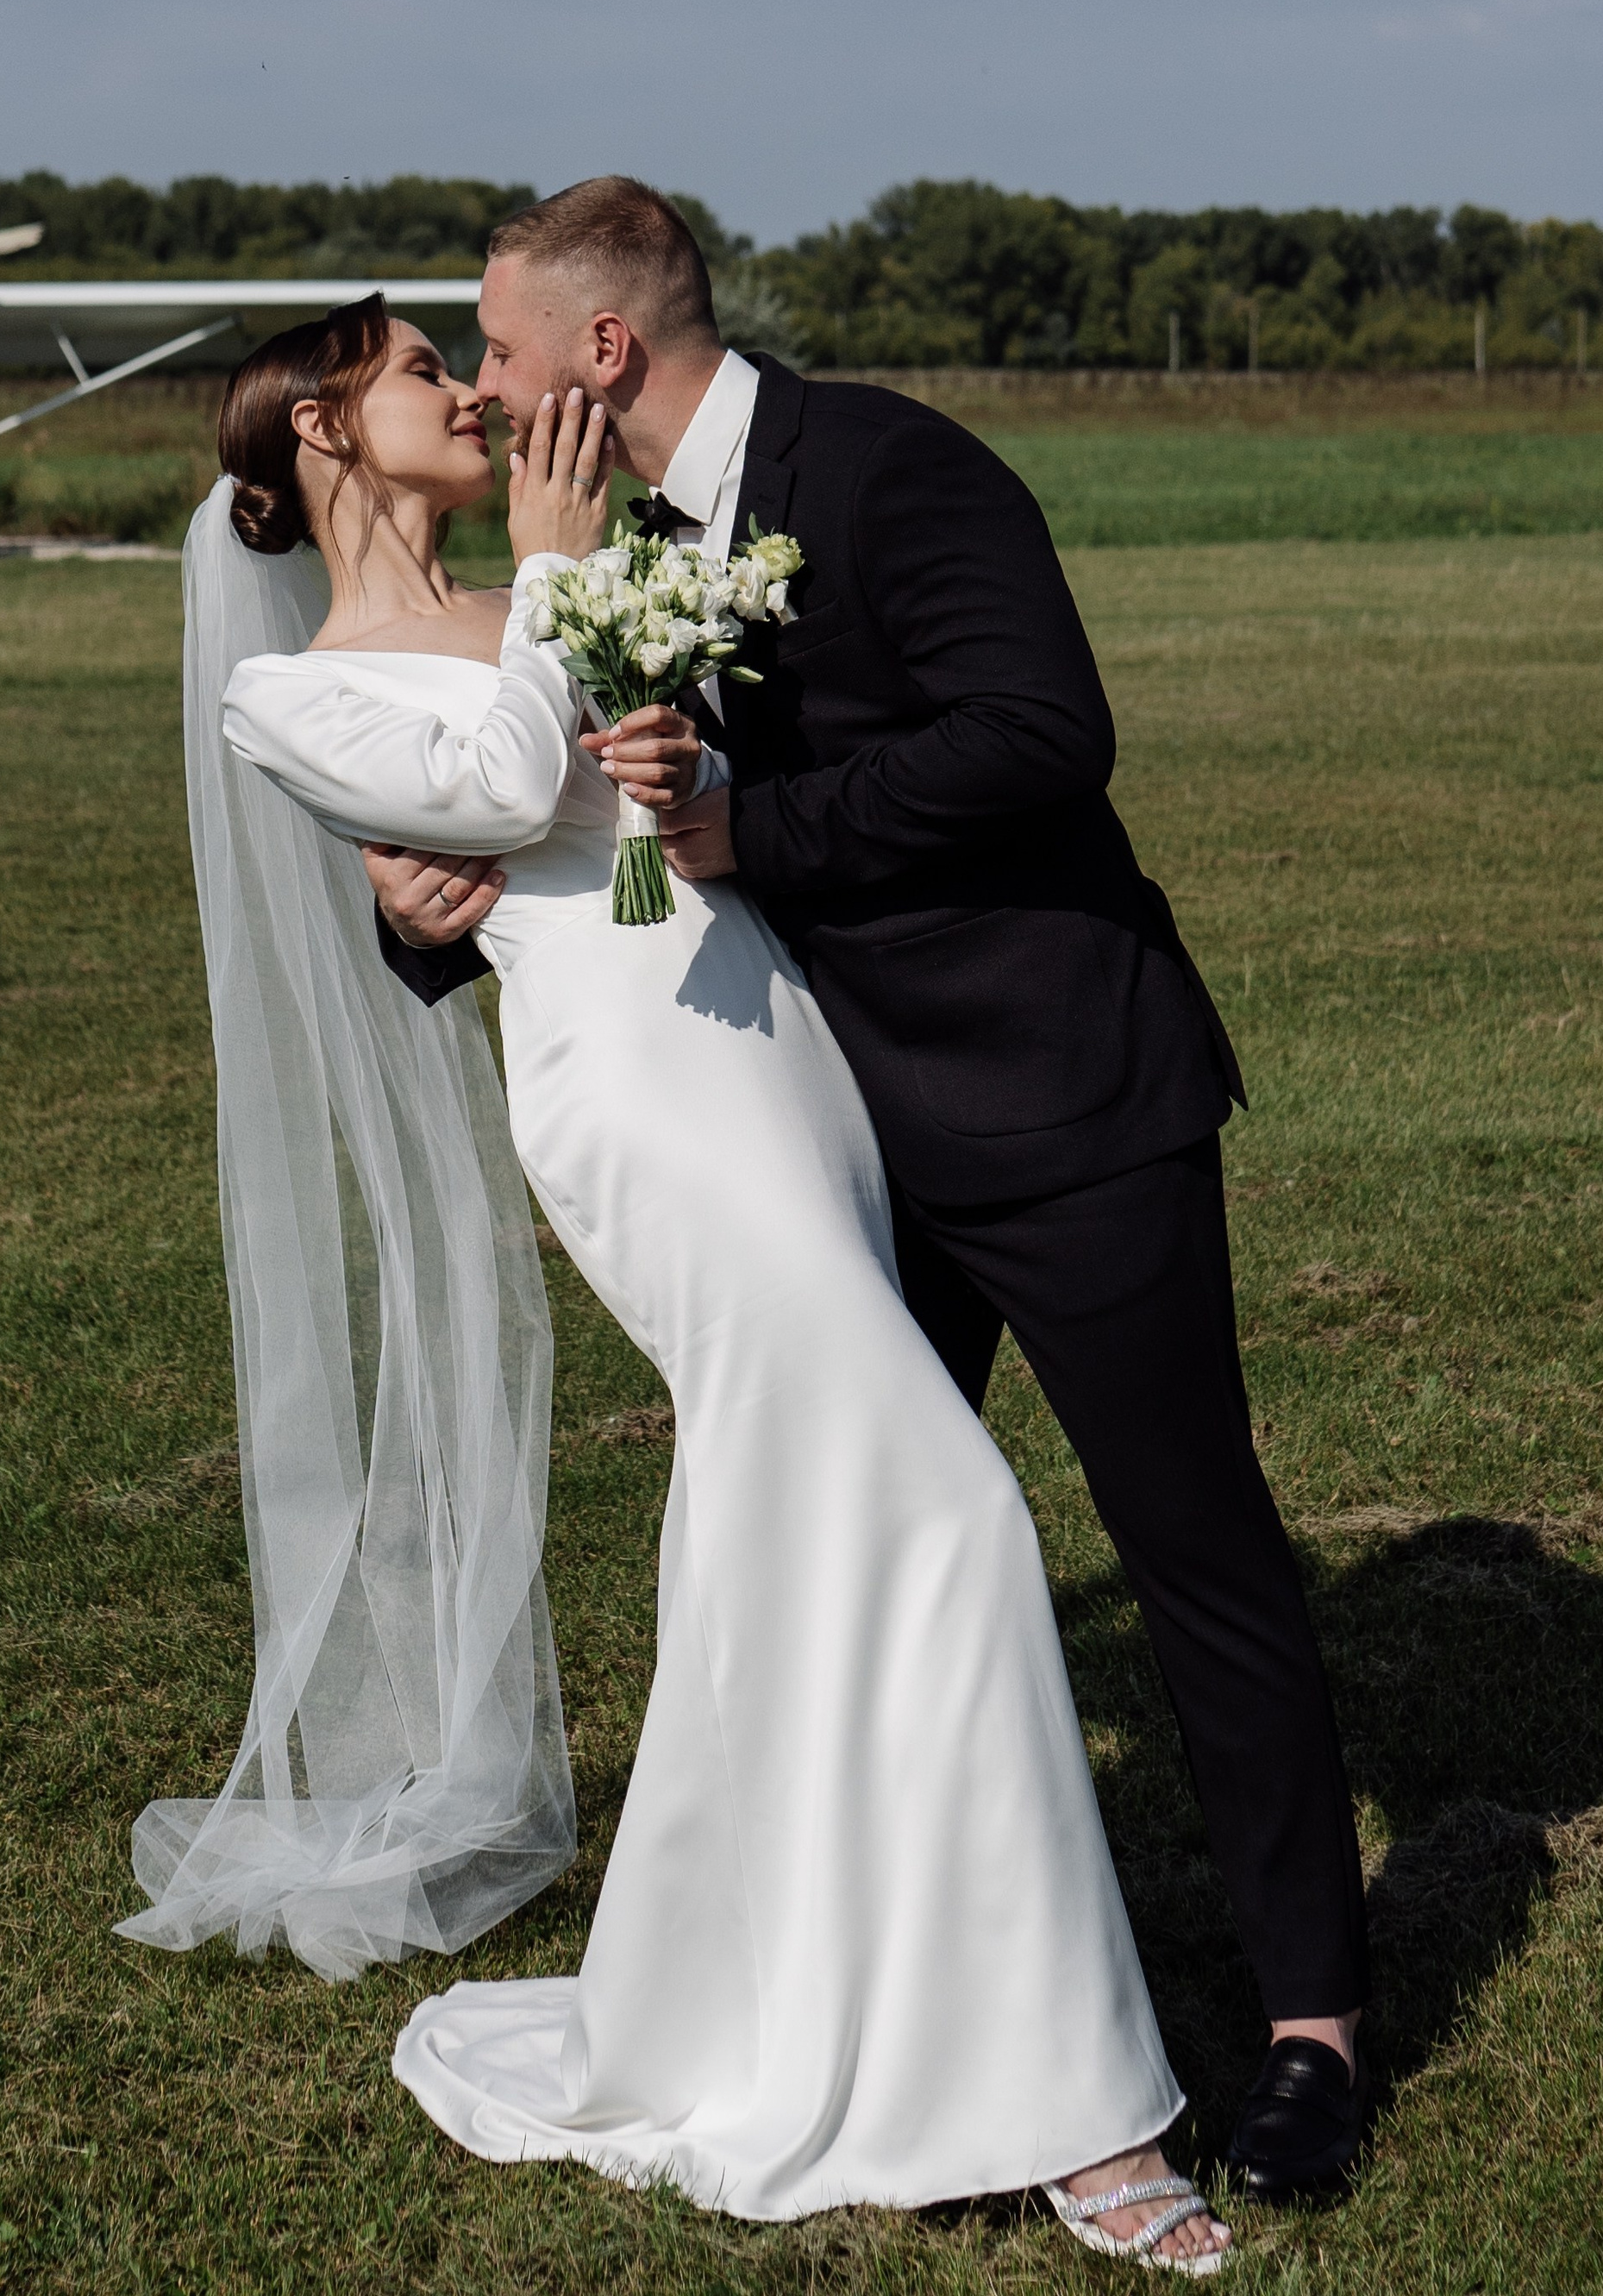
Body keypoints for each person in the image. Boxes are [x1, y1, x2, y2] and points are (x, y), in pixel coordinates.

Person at [126, 285, 1233, 2268]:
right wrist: (549, 608)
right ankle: (1071, 2105)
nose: (466, 392)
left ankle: (789, 1983)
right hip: (638, 1108)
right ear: (315, 438)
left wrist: (609, 656)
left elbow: (639, 771)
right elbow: (471, 801)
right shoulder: (286, 690)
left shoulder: (565, 577)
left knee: (785, 1537)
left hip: (780, 1056)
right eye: (412, 372)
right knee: (955, 1520)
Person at [366, 176, 1371, 2210]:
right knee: (826, 1559)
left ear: (605, 353)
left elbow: (1040, 737)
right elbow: (566, 812)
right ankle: (862, 2008)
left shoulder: (895, 469)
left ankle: (1312, 2025)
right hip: (825, 1145)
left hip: (1055, 1098)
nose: (479, 383)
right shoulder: (617, 540)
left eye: (494, 343)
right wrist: (422, 917)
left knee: (1191, 1550)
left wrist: (756, 825)